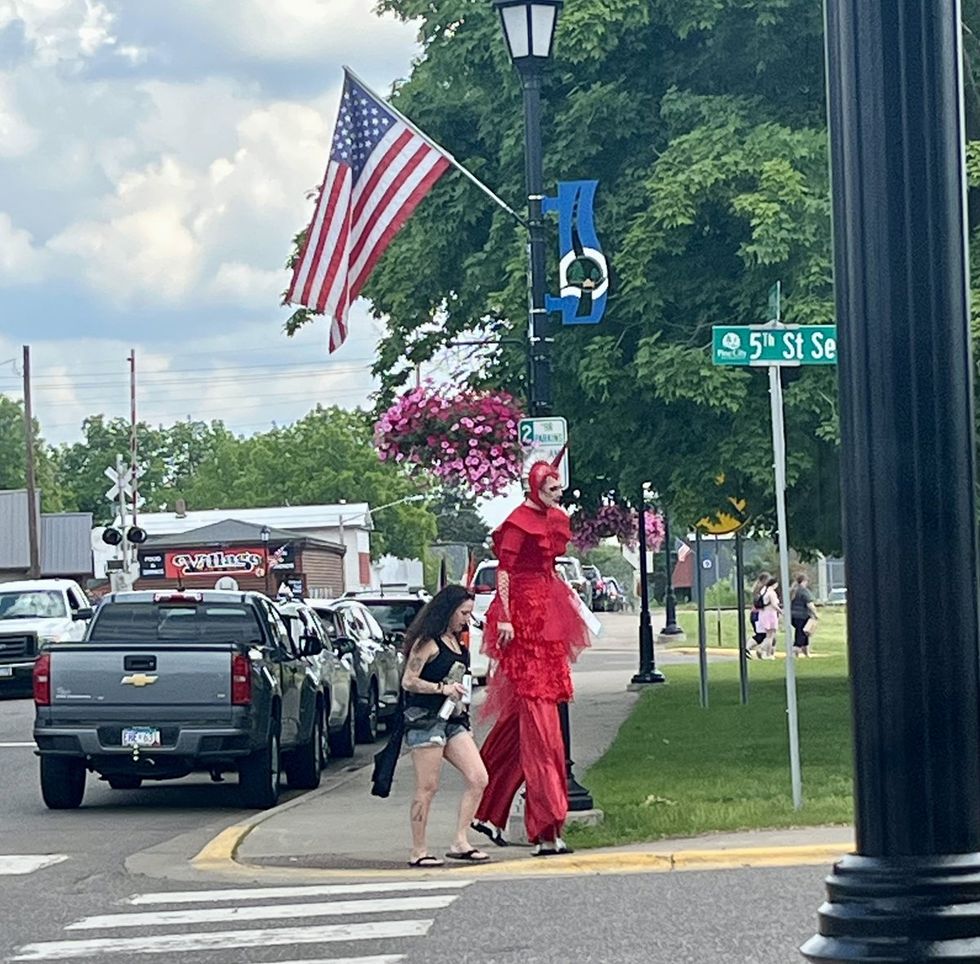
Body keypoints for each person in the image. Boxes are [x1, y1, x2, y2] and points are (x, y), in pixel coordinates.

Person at [471, 452, 591, 856]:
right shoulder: (519, 522)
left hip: (548, 614)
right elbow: (504, 570)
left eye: (559, 488)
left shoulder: (554, 519)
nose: (559, 494)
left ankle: (489, 807)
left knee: (533, 723)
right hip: (522, 620)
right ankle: (546, 825)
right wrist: (505, 615)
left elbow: (550, 565)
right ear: (536, 488)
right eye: (553, 488)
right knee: (540, 728)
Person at [400, 584, 490, 868]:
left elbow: (462, 682)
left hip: (453, 719)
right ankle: (418, 848)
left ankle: (460, 840)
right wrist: (441, 688)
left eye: (469, 613)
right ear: (448, 611)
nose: (467, 618)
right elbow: (408, 681)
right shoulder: (427, 643)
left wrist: (464, 716)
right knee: (428, 786)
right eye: (463, 612)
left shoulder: (458, 644)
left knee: (478, 777)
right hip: (425, 719)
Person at [790, 573, 818, 656]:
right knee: (801, 635)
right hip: (802, 616)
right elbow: (809, 604)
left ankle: (806, 653)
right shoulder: (803, 591)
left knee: (803, 634)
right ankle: (795, 650)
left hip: (793, 616)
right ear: (803, 581)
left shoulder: (793, 590)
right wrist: (815, 614)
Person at [747, 572, 770, 658]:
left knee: (762, 635)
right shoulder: (762, 590)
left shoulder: (756, 589)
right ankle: (747, 648)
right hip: (758, 615)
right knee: (762, 635)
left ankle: (762, 652)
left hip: (754, 614)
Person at [757, 576, 782, 658]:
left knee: (768, 635)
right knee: (771, 636)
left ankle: (766, 652)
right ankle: (763, 649)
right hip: (771, 614)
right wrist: (781, 611)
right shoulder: (772, 593)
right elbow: (774, 605)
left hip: (763, 613)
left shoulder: (763, 591)